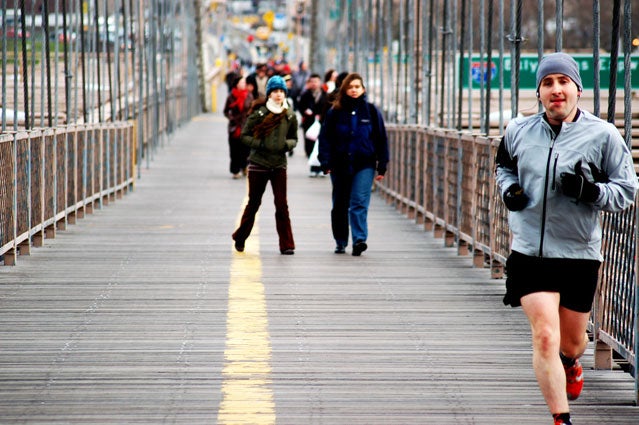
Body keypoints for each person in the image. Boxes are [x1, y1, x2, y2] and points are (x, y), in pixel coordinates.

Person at [495, 52, 638, 425]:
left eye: (563, 82)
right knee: (544, 334)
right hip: (529, 252)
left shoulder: (603, 135)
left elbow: (626, 191)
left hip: (577, 252)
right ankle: (562, 419)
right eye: (547, 83)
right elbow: (504, 166)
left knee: (571, 343)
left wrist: (591, 192)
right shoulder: (517, 131)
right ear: (539, 92)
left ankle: (571, 363)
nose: (556, 90)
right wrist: (510, 191)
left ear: (577, 89)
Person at [318, 73, 390, 256]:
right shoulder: (335, 112)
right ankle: (340, 241)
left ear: (363, 89)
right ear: (344, 90)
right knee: (340, 204)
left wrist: (382, 164)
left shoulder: (371, 111)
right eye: (350, 87)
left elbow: (381, 138)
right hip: (339, 164)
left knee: (359, 201)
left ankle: (359, 239)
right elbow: (325, 138)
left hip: (364, 163)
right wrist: (325, 161)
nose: (354, 90)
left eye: (357, 87)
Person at [232, 75, 298, 255]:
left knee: (281, 205)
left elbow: (294, 138)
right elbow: (244, 136)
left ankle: (287, 244)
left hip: (278, 165)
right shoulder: (259, 114)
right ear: (269, 93)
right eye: (275, 91)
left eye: (281, 91)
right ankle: (240, 237)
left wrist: (287, 145)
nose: (278, 95)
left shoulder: (290, 115)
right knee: (254, 203)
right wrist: (260, 145)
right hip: (258, 164)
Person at [223, 75, 253, 178]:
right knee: (234, 150)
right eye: (242, 82)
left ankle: (244, 167)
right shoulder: (231, 96)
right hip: (234, 127)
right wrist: (231, 118)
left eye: (245, 83)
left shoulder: (249, 95)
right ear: (237, 84)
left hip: (246, 127)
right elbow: (226, 111)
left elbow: (252, 109)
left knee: (246, 150)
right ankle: (235, 171)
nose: (244, 84)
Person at [298, 73, 328, 176]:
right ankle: (313, 167)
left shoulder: (325, 95)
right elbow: (300, 106)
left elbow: (328, 108)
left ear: (320, 82)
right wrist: (305, 112)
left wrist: (322, 116)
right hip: (309, 123)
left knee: (320, 145)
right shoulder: (305, 95)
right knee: (309, 145)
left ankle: (320, 167)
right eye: (312, 82)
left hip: (321, 123)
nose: (314, 84)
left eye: (316, 81)